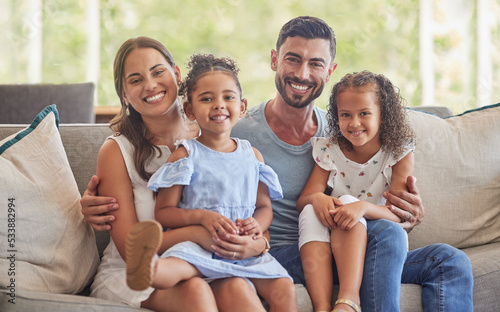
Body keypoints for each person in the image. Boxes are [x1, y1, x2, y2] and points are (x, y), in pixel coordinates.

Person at [82, 17, 474, 311]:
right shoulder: (230, 133)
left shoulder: (340, 130)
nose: (303, 74)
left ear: (330, 71)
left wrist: (404, 211)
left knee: (447, 259)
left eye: (315, 64)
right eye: (293, 59)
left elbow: (388, 188)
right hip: (288, 251)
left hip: (344, 243)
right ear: (274, 60)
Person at [88, 36, 271, 312]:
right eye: (135, 80)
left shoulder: (215, 134)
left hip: (212, 261)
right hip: (138, 271)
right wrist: (197, 233)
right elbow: (130, 250)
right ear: (124, 94)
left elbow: (252, 208)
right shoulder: (116, 151)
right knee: (196, 293)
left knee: (238, 289)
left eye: (158, 72)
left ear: (176, 74)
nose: (150, 85)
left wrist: (256, 245)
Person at [125, 53, 297, 311]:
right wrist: (203, 218)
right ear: (190, 110)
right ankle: (147, 266)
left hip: (241, 248)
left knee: (284, 286)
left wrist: (256, 228)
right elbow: (164, 213)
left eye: (228, 97)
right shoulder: (185, 154)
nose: (218, 105)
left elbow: (264, 208)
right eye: (207, 99)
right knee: (175, 268)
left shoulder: (253, 156)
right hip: (198, 247)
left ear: (242, 106)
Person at [296, 70, 416, 312]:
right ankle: (322, 307)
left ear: (382, 116)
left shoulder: (398, 152)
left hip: (381, 238)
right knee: (312, 209)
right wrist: (318, 198)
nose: (354, 123)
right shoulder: (329, 149)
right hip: (337, 240)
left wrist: (361, 207)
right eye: (345, 115)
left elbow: (399, 215)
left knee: (348, 200)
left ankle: (348, 301)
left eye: (364, 113)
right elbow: (304, 200)